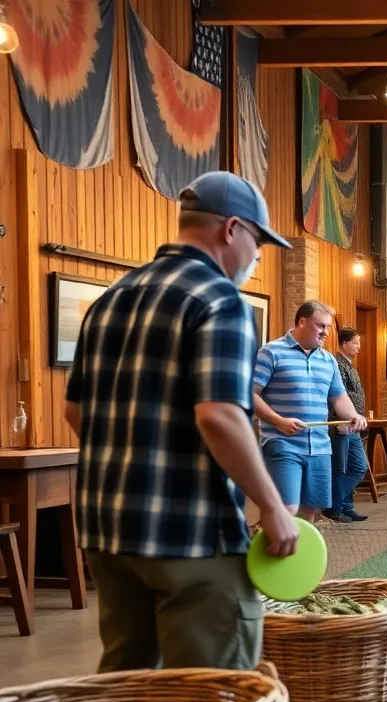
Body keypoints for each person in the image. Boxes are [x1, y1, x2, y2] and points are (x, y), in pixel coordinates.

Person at [64, 170, 300, 673]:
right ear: (231, 229)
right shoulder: (221, 301)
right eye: (258, 241)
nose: (258, 257)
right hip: (190, 533)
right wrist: (272, 505)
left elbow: (75, 410)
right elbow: (219, 416)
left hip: (108, 529)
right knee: (210, 694)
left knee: (128, 685)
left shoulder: (111, 300)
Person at [252, 301, 367, 524]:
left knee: (309, 513)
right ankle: (264, 552)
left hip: (320, 446)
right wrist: (278, 421)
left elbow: (338, 397)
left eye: (328, 328)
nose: (326, 333)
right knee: (286, 509)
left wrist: (352, 415)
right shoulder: (271, 352)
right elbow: (250, 394)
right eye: (321, 326)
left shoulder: (328, 360)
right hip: (281, 442)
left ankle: (297, 558)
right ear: (302, 321)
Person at [323, 327, 370, 524]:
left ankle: (346, 506)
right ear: (344, 343)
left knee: (358, 466)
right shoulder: (336, 364)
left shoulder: (351, 366)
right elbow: (334, 396)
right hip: (341, 425)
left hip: (354, 425)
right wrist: (338, 422)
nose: (359, 347)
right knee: (341, 468)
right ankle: (333, 506)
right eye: (355, 343)